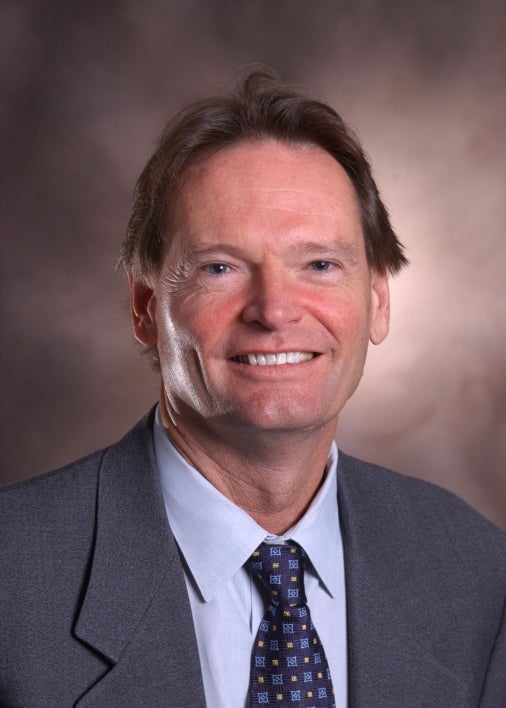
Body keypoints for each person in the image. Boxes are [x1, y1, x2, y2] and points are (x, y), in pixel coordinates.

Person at [1, 69, 505, 708]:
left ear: (378, 299)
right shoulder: (12, 576)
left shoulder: (472, 567)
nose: (273, 310)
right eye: (220, 267)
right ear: (144, 305)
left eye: (320, 265)